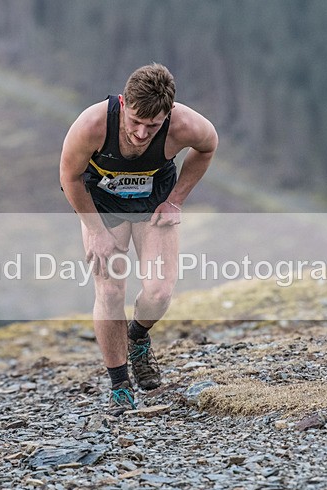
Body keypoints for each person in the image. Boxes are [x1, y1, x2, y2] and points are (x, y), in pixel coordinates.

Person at [60, 63, 217, 414]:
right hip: (102, 205)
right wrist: (96, 231)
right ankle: (120, 385)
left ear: (169, 114)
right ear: (123, 103)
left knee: (159, 292)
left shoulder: (186, 124)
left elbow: (208, 146)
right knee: (110, 291)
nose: (142, 133)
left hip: (154, 202)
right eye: (135, 122)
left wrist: (176, 200)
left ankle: (137, 336)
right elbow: (69, 177)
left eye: (153, 125)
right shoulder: (92, 124)